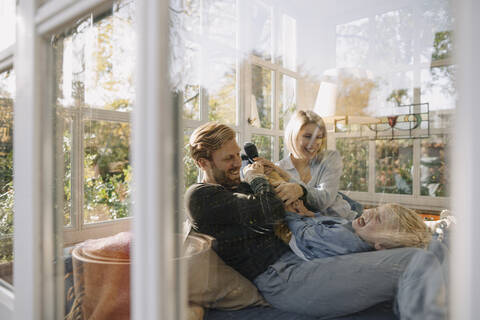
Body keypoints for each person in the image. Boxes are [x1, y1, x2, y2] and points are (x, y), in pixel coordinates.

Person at [185, 121, 447, 319]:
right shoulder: (201, 197)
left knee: (425, 247)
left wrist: (284, 182)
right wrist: (256, 179)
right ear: (203, 162)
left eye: (237, 155)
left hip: (303, 258)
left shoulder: (235, 185)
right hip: (282, 278)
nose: (236, 163)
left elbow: (297, 203)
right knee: (416, 261)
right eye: (228, 158)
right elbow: (269, 212)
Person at [256, 110, 359, 220]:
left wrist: (298, 188)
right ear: (293, 136)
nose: (314, 144)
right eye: (308, 136)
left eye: (318, 137)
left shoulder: (330, 158)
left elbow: (324, 200)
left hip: (343, 221)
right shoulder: (279, 168)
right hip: (311, 228)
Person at [285, 202, 432, 260]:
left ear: (381, 245)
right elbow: (331, 223)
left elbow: (305, 235)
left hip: (297, 236)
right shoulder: (359, 233)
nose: (368, 213)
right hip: (312, 226)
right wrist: (308, 214)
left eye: (378, 219)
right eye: (375, 209)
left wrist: (292, 215)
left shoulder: (347, 241)